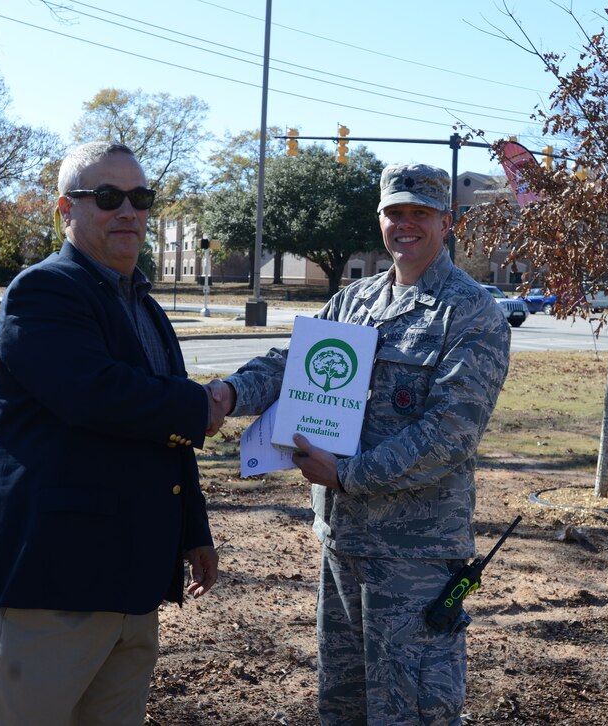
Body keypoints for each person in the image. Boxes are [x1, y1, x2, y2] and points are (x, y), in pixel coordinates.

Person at [207, 163, 511, 725]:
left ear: (447, 221)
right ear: (380, 220)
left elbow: (449, 435)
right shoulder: (355, 302)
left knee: (410, 713)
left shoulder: (471, 312)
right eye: (395, 212)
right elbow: (291, 365)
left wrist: (348, 474)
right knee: (342, 706)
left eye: (420, 213)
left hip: (412, 558)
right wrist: (228, 394)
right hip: (342, 543)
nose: (406, 224)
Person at [0, 141, 222, 726]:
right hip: (57, 580)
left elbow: (166, 432)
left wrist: (193, 529)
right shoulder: (43, 291)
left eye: (141, 198)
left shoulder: (145, 305)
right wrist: (206, 402)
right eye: (108, 197)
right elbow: (95, 395)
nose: (129, 212)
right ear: (66, 209)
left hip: (134, 579)